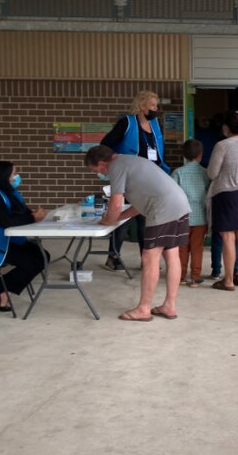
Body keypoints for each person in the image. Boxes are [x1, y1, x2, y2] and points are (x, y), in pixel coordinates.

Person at [85, 145, 190, 322]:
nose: (98, 174)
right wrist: (118, 218)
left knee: (150, 257)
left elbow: (116, 203)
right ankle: (169, 306)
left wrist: (108, 220)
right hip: (179, 205)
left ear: (102, 163)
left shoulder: (116, 167)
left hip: (162, 209)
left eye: (95, 170)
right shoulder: (132, 161)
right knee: (171, 254)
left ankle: (143, 308)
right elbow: (140, 204)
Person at [100, 90, 170, 271]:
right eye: (153, 105)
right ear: (141, 106)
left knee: (144, 219)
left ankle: (145, 258)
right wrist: (118, 160)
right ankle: (113, 257)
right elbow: (105, 144)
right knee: (123, 218)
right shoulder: (126, 123)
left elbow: (159, 149)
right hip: (130, 177)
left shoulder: (155, 124)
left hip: (150, 177)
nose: (156, 109)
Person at [0, 161, 47, 312]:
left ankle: (0, 284)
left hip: (1, 239)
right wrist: (33, 218)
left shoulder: (4, 191)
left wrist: (33, 214)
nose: (16, 177)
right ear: (3, 176)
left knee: (43, 255)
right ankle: (1, 289)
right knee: (33, 262)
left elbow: (17, 213)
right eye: (14, 173)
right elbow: (6, 222)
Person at [207, 110, 238, 291]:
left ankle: (227, 280)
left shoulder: (223, 145)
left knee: (228, 236)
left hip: (227, 192)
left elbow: (212, 173)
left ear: (225, 127)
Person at [171, 139, 210, 288]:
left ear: (184, 155)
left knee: (182, 248)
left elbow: (172, 195)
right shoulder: (205, 173)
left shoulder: (177, 173)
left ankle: (180, 276)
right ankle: (195, 277)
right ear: (200, 155)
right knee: (197, 248)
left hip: (182, 217)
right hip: (200, 217)